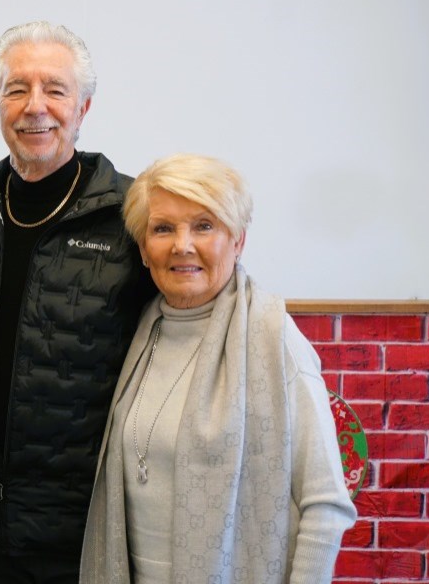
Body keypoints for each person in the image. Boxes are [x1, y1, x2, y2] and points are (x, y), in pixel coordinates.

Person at [0, 21, 157, 583]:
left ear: (84, 106)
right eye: (17, 89)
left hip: (87, 526)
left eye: (55, 89)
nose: (36, 106)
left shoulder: (131, 211)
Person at [80, 153, 357, 583]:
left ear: (238, 240)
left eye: (204, 226)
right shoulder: (142, 329)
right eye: (163, 228)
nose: (182, 245)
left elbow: (326, 504)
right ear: (143, 248)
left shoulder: (271, 336)